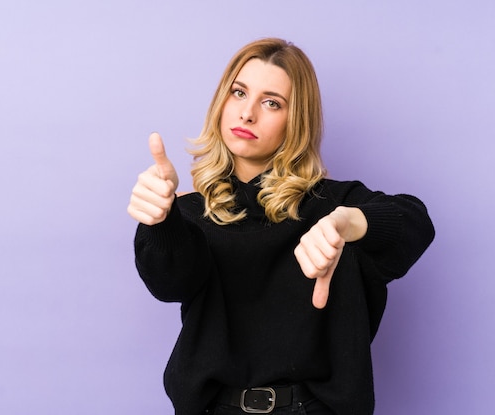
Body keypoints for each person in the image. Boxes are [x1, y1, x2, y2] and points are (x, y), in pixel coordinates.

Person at [127, 37, 435, 415]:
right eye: (239, 93)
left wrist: (346, 221)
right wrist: (161, 221)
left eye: (272, 102)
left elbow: (415, 223)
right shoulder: (190, 214)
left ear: (297, 120)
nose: (247, 113)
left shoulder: (333, 204)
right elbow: (169, 283)